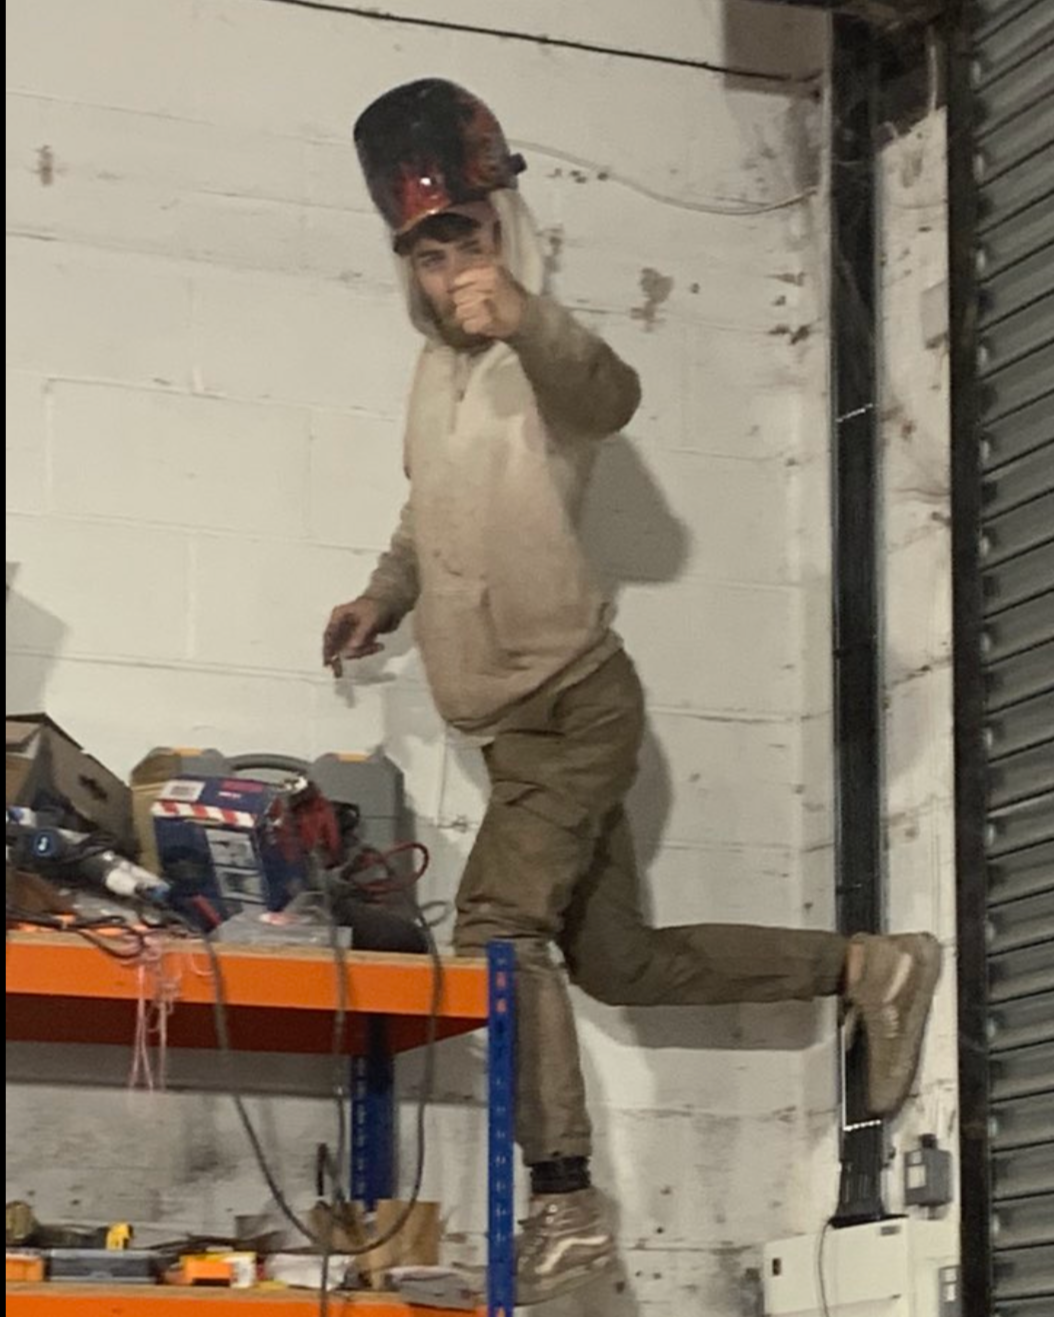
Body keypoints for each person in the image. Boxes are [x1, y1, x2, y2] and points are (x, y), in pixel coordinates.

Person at [324, 79, 941, 1307]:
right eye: (432, 248)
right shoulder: (431, 375)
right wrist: (383, 597)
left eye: (471, 237)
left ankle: (566, 1213)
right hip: (514, 734)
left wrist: (526, 316)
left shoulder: (538, 357)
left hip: (572, 708)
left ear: (508, 230)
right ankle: (869, 966)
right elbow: (427, 506)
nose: (453, 267)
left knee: (499, 934)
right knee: (621, 965)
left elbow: (611, 395)